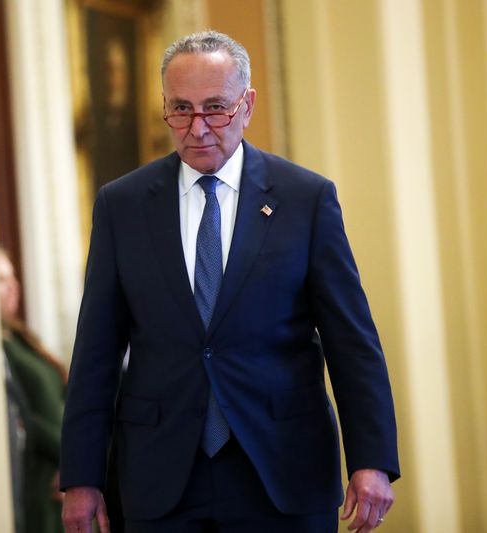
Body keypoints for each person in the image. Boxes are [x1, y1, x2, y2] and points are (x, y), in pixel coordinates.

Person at [60, 31, 399, 533]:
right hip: (162, 474)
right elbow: (96, 352)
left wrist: (371, 459)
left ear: (247, 105)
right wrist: (81, 477)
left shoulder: (304, 198)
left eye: (215, 108)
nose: (198, 128)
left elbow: (352, 341)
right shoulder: (123, 205)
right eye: (181, 110)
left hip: (283, 467)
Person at [0, 248, 67, 533]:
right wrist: (72, 459)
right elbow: (21, 414)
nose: (13, 286)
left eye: (12, 276)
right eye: (0, 279)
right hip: (41, 479)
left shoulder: (19, 337)